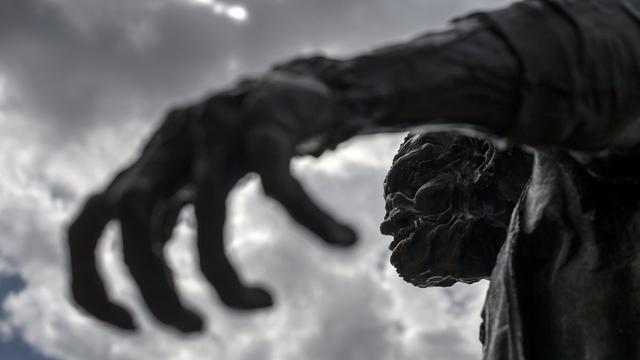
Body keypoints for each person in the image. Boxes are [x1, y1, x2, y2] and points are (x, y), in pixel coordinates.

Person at [69, 0, 640, 357]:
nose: (391, 220)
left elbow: (595, 49)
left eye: (414, 181)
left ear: (487, 163)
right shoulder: (512, 298)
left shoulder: (574, 171)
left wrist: (343, 90)